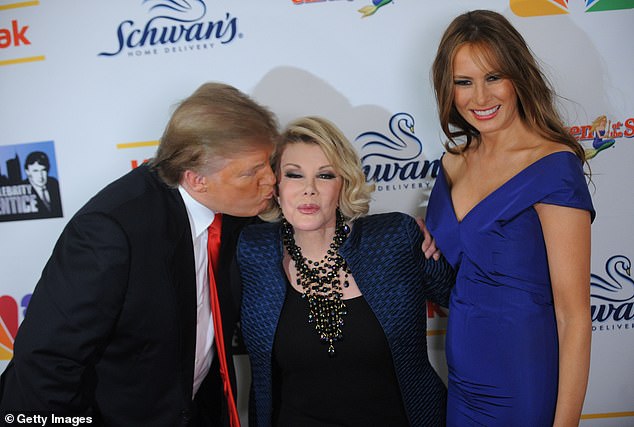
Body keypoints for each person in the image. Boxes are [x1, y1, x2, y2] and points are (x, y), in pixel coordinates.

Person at [0, 82, 278, 426]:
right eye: (252, 172)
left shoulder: (228, 203)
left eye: (269, 163)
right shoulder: (110, 233)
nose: (271, 180)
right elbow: (47, 363)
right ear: (196, 179)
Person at [425, 10, 595, 426]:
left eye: (493, 77)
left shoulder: (552, 167)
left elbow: (573, 316)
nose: (479, 98)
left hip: (523, 379)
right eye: (464, 82)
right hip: (462, 379)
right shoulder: (453, 164)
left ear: (519, 76)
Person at [237, 116, 455, 427]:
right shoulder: (253, 249)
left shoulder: (394, 237)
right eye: (294, 175)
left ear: (345, 184)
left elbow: (464, 301)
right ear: (276, 185)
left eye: (325, 176)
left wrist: (443, 241)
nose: (309, 190)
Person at [23, 151, 63, 218]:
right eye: (35, 171)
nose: (40, 175)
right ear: (27, 171)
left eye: (43, 170)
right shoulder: (22, 189)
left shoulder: (55, 184)